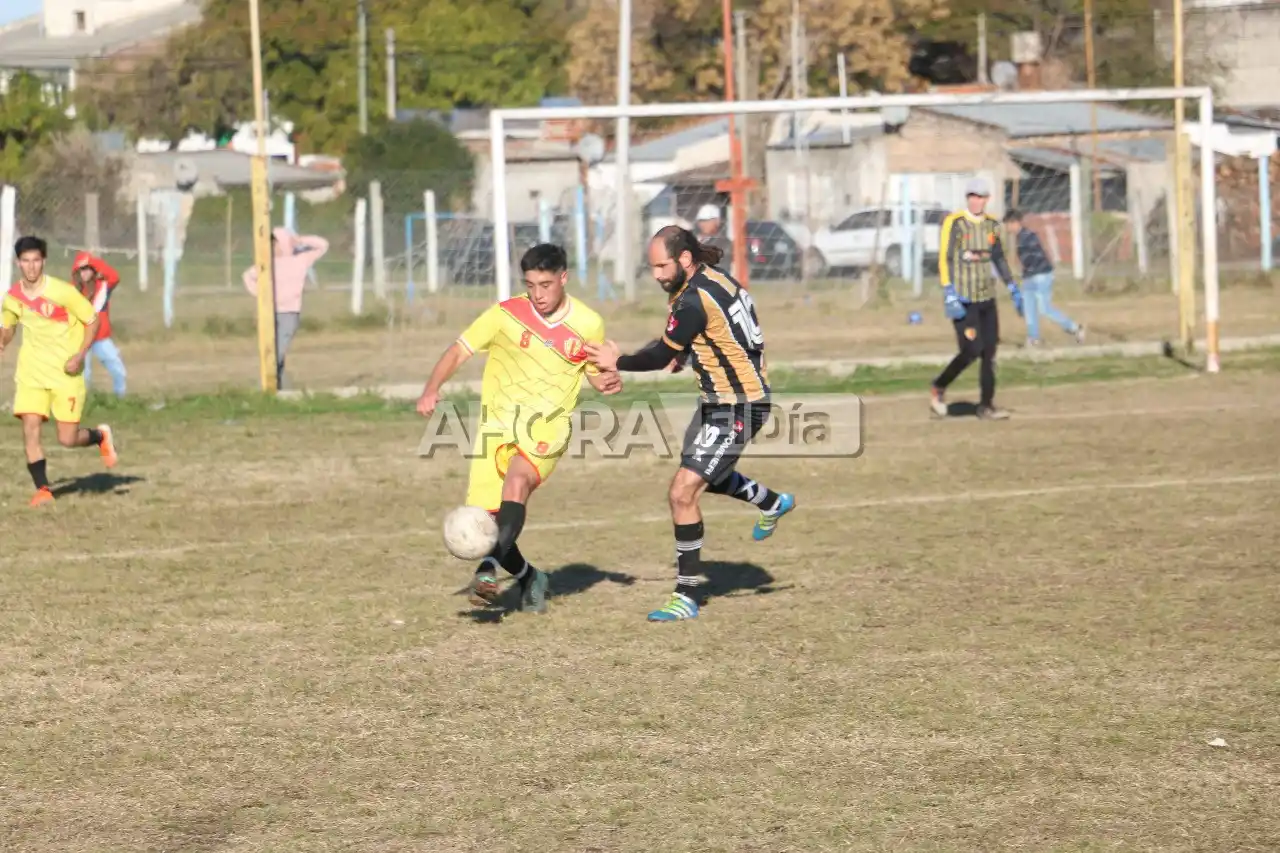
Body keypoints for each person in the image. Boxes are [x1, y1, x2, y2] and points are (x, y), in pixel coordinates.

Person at [585, 226, 796, 623]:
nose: (657, 275)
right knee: (709, 477)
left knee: (683, 492)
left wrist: (620, 361)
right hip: (717, 401)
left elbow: (664, 349)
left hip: (740, 405)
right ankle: (770, 502)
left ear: (683, 259)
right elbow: (707, 335)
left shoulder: (692, 299)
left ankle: (686, 595)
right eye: (652, 268)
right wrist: (684, 354)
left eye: (662, 266)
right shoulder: (713, 279)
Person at [416, 243, 621, 615]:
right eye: (530, 285)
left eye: (545, 285)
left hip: (547, 429)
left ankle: (486, 570)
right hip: (496, 428)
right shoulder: (505, 314)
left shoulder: (589, 323)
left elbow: (595, 376)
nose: (537, 295)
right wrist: (432, 388)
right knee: (489, 521)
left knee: (516, 486)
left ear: (563, 278)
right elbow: (459, 349)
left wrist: (608, 379)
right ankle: (529, 578)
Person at [1, 236, 119, 508]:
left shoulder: (63, 292)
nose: (31, 267)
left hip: (65, 374)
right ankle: (43, 489)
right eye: (25, 261)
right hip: (31, 373)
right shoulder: (12, 297)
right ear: (18, 263)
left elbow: (91, 321)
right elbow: (8, 328)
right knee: (30, 428)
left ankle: (100, 436)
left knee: (67, 438)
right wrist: (3, 340)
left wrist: (79, 356)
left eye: (36, 261)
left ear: (43, 261)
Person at [929, 179, 1024, 421]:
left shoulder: (992, 225)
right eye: (972, 195)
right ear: (967, 197)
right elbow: (945, 258)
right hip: (963, 298)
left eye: (980, 196)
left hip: (986, 298)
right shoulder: (956, 223)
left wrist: (1012, 286)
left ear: (986, 199)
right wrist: (948, 290)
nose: (976, 200)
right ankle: (939, 386)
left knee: (989, 352)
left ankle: (986, 406)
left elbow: (999, 258)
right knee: (972, 349)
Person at [242, 228, 329, 390]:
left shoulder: (301, 259)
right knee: (270, 351)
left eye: (275, 244)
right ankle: (281, 389)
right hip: (269, 312)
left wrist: (299, 240)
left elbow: (323, 245)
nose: (273, 248)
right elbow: (248, 276)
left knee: (277, 353)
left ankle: (264, 387)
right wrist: (260, 294)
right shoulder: (267, 262)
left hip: (289, 313)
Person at [1002, 209, 1086, 347]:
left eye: (1007, 224)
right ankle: (1034, 338)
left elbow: (1036, 258)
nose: (1006, 228)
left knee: (1044, 308)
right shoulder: (1020, 237)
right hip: (1029, 277)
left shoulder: (1028, 236)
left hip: (1040, 276)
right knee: (1029, 309)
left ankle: (1075, 328)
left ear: (1015, 223)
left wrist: (1029, 270)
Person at [71, 251, 128, 398]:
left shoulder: (102, 286)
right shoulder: (72, 290)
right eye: (81, 269)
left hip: (100, 337)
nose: (85, 273)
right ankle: (83, 403)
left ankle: (120, 399)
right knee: (83, 375)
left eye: (88, 268)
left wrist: (93, 262)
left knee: (117, 368)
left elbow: (115, 276)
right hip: (81, 339)